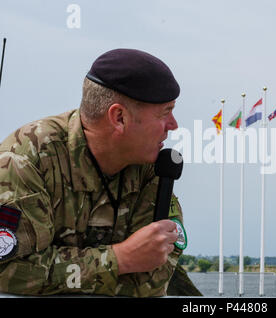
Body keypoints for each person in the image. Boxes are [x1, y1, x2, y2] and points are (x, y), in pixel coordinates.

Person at [0, 48, 194, 297]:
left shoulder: (153, 169)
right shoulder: (25, 160)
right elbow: (9, 272)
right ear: (119, 117)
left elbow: (149, 283)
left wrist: (59, 273)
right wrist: (120, 259)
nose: (173, 125)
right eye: (165, 113)